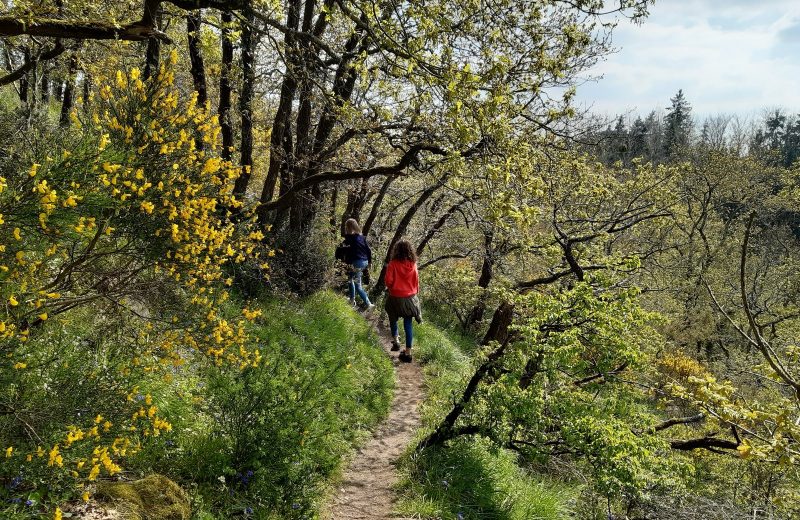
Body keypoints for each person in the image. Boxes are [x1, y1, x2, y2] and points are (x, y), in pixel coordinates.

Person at [384, 239, 422, 363]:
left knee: (392, 317)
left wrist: (392, 288)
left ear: (396, 250)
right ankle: (408, 353)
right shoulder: (413, 264)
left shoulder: (393, 264)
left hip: (395, 297)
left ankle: (396, 341)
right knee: (408, 324)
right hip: (410, 299)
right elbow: (416, 282)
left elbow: (388, 281)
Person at [336, 218, 374, 309]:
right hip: (364, 262)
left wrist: (338, 259)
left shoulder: (349, 239)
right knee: (350, 279)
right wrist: (370, 262)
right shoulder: (362, 237)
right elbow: (368, 250)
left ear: (347, 227)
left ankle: (369, 304)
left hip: (357, 262)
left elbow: (340, 250)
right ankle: (352, 300)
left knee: (357, 285)